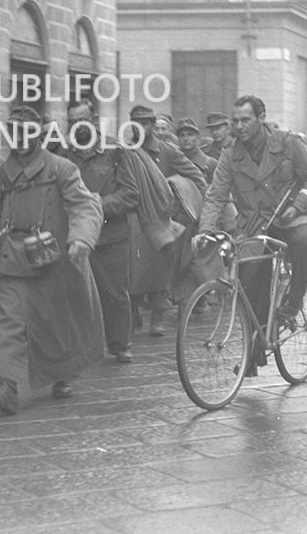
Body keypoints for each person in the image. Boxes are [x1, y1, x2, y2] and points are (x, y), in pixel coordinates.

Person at [0, 105, 105, 413]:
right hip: (12, 259)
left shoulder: (61, 168)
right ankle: (6, 387)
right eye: (14, 132)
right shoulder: (3, 171)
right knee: (2, 323)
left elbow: (85, 206)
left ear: (39, 135)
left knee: (56, 324)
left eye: (27, 132)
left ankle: (64, 374)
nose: (19, 139)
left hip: (53, 259)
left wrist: (82, 238)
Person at [197, 95, 307, 377]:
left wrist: (297, 207)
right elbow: (216, 195)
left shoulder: (289, 142)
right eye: (236, 121)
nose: (239, 126)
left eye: (246, 120)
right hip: (256, 224)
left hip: (293, 214)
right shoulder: (231, 155)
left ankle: (294, 298)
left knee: (303, 242)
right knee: (249, 278)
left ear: (261, 117)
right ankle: (253, 354)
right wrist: (205, 230)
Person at [65, 97, 141, 364]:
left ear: (95, 120)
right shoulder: (63, 154)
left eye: (82, 120)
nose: (77, 126)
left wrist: (96, 204)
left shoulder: (115, 150)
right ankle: (83, 347)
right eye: (72, 122)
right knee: (75, 295)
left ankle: (120, 344)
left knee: (114, 293)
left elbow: (131, 194)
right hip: (75, 238)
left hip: (111, 237)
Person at [128, 104, 206, 337]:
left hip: (162, 220)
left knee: (160, 270)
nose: (141, 127)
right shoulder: (125, 151)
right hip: (133, 218)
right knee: (133, 270)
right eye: (136, 123)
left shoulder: (167, 152)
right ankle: (133, 315)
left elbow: (196, 176)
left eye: (145, 123)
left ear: (152, 125)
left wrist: (187, 204)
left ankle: (158, 317)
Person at [175, 117, 215, 181]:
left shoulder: (210, 163)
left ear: (197, 137)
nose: (186, 139)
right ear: (178, 138)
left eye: (190, 135)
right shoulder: (172, 160)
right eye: (182, 135)